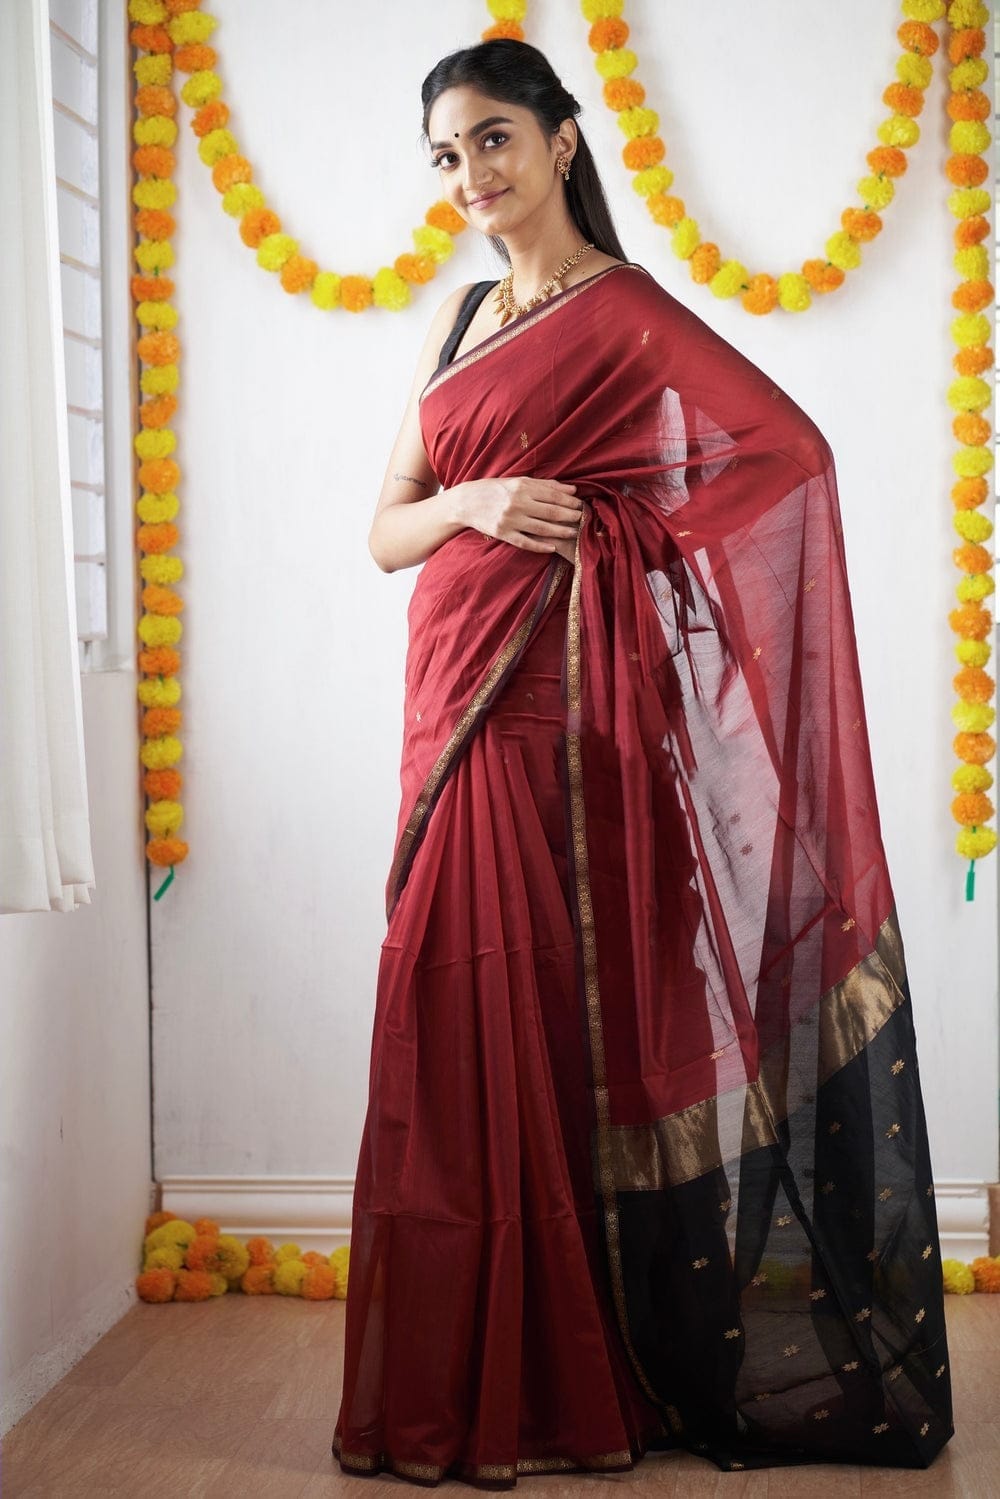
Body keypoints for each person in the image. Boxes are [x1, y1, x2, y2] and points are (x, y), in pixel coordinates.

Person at [332, 37, 954, 1488]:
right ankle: (477, 1378)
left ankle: (556, 1386)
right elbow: (386, 531)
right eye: (446, 154)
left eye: (492, 140)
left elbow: (788, 455)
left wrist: (613, 535)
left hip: (550, 723)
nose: (470, 176)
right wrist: (477, 495)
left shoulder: (626, 317)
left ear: (560, 140)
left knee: (525, 1027)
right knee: (444, 1019)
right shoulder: (464, 319)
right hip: (447, 709)